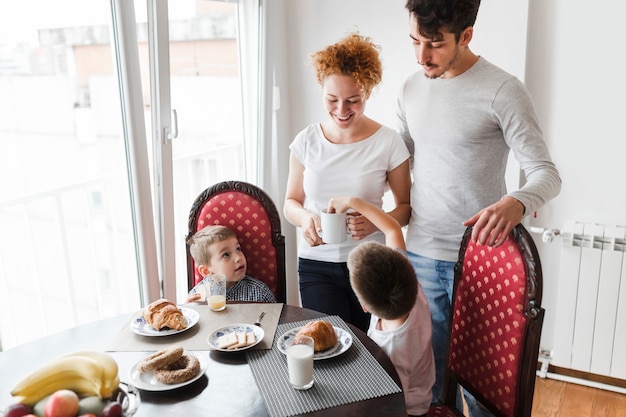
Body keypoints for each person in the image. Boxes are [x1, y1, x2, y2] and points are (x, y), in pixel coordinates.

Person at [397, 0, 562, 416]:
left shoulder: (503, 90)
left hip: (481, 263)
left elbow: (546, 173)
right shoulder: (410, 88)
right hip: (420, 254)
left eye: (434, 44)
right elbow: (399, 163)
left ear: (466, 36)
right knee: (429, 388)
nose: (421, 56)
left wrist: (516, 202)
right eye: (415, 40)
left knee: (484, 394)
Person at [283, 32, 412, 332]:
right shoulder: (306, 141)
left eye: (353, 101)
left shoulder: (388, 143)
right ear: (321, 91)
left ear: (367, 92)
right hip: (317, 266)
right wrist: (305, 220)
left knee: (373, 353)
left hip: (372, 267)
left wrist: (376, 222)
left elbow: (405, 208)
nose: (342, 110)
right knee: (328, 347)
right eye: (332, 100)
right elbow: (290, 202)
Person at [328, 196, 435, 417]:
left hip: (410, 410)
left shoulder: (391, 352)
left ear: (364, 306)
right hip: (413, 393)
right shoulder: (411, 287)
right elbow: (392, 228)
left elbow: (395, 408)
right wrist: (352, 201)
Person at [186, 225, 276, 303]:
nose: (238, 258)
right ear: (206, 271)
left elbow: (276, 319)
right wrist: (188, 312)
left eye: (238, 249)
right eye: (226, 255)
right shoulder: (197, 296)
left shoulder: (259, 293)